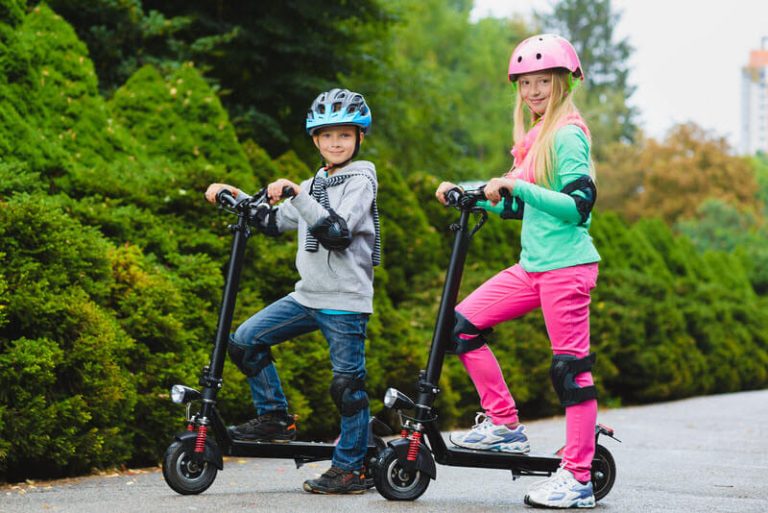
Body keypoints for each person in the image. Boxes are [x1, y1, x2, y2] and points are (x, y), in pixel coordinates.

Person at [435, 34, 600, 509]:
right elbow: (512, 200)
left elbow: (578, 207)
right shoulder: (535, 138)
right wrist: (463, 189)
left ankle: (578, 478)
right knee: (460, 327)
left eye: (542, 81)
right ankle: (504, 424)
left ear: (562, 82)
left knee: (571, 372)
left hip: (567, 268)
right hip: (533, 267)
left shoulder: (567, 133)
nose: (532, 91)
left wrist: (517, 190)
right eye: (525, 83)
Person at [204, 88, 380, 495]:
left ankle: (350, 468)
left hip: (345, 301)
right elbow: (273, 221)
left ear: (359, 139)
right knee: (246, 343)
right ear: (315, 141)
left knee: (347, 387)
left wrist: (298, 195)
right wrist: (236, 197)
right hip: (307, 296)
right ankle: (275, 418)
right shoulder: (314, 181)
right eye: (327, 136)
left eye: (344, 136)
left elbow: (335, 232)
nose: (336, 143)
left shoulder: (361, 179)